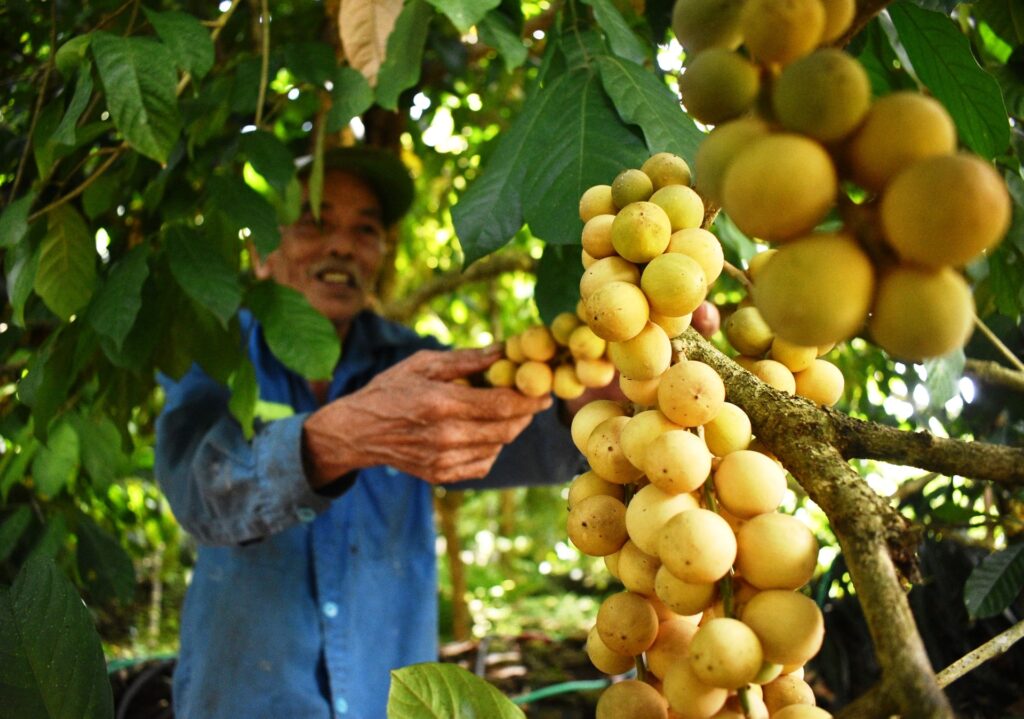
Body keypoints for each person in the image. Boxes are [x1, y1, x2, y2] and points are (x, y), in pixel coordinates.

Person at [154, 146, 584, 719]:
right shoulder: (214, 352)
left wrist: (588, 402)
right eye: (316, 222)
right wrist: (334, 441)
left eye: (365, 229)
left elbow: (531, 439)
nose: (342, 245)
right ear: (261, 252)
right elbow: (197, 494)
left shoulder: (415, 364)